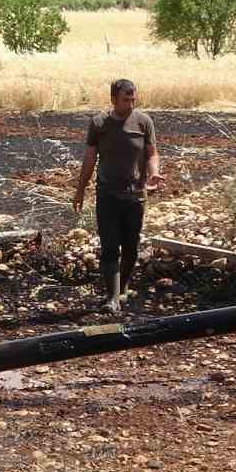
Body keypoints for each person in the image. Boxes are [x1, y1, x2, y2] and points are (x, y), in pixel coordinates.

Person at [72, 79, 160, 314]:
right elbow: (90, 158)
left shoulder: (143, 122)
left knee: (131, 246)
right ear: (113, 99)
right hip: (107, 194)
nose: (130, 103)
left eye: (133, 99)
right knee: (110, 247)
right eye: (125, 99)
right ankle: (112, 297)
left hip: (135, 195)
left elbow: (151, 154)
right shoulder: (99, 123)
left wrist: (154, 173)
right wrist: (80, 190)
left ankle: (122, 288)